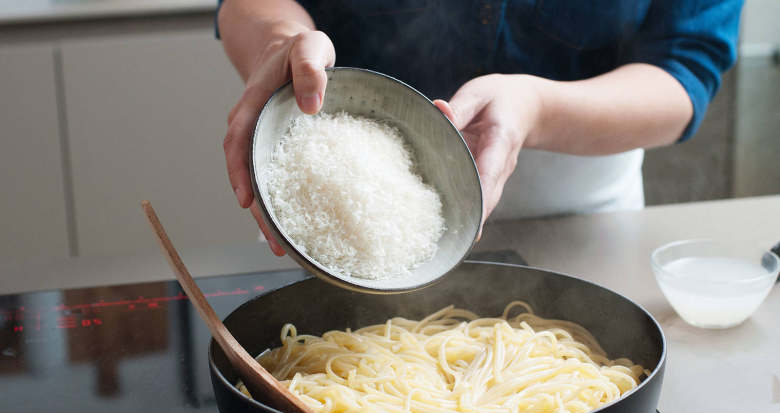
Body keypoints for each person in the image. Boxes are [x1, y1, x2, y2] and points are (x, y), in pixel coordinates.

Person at [216, 0, 742, 256]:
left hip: (577, 219)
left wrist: (537, 107)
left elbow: (685, 63)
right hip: (338, 192)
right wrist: (282, 38)